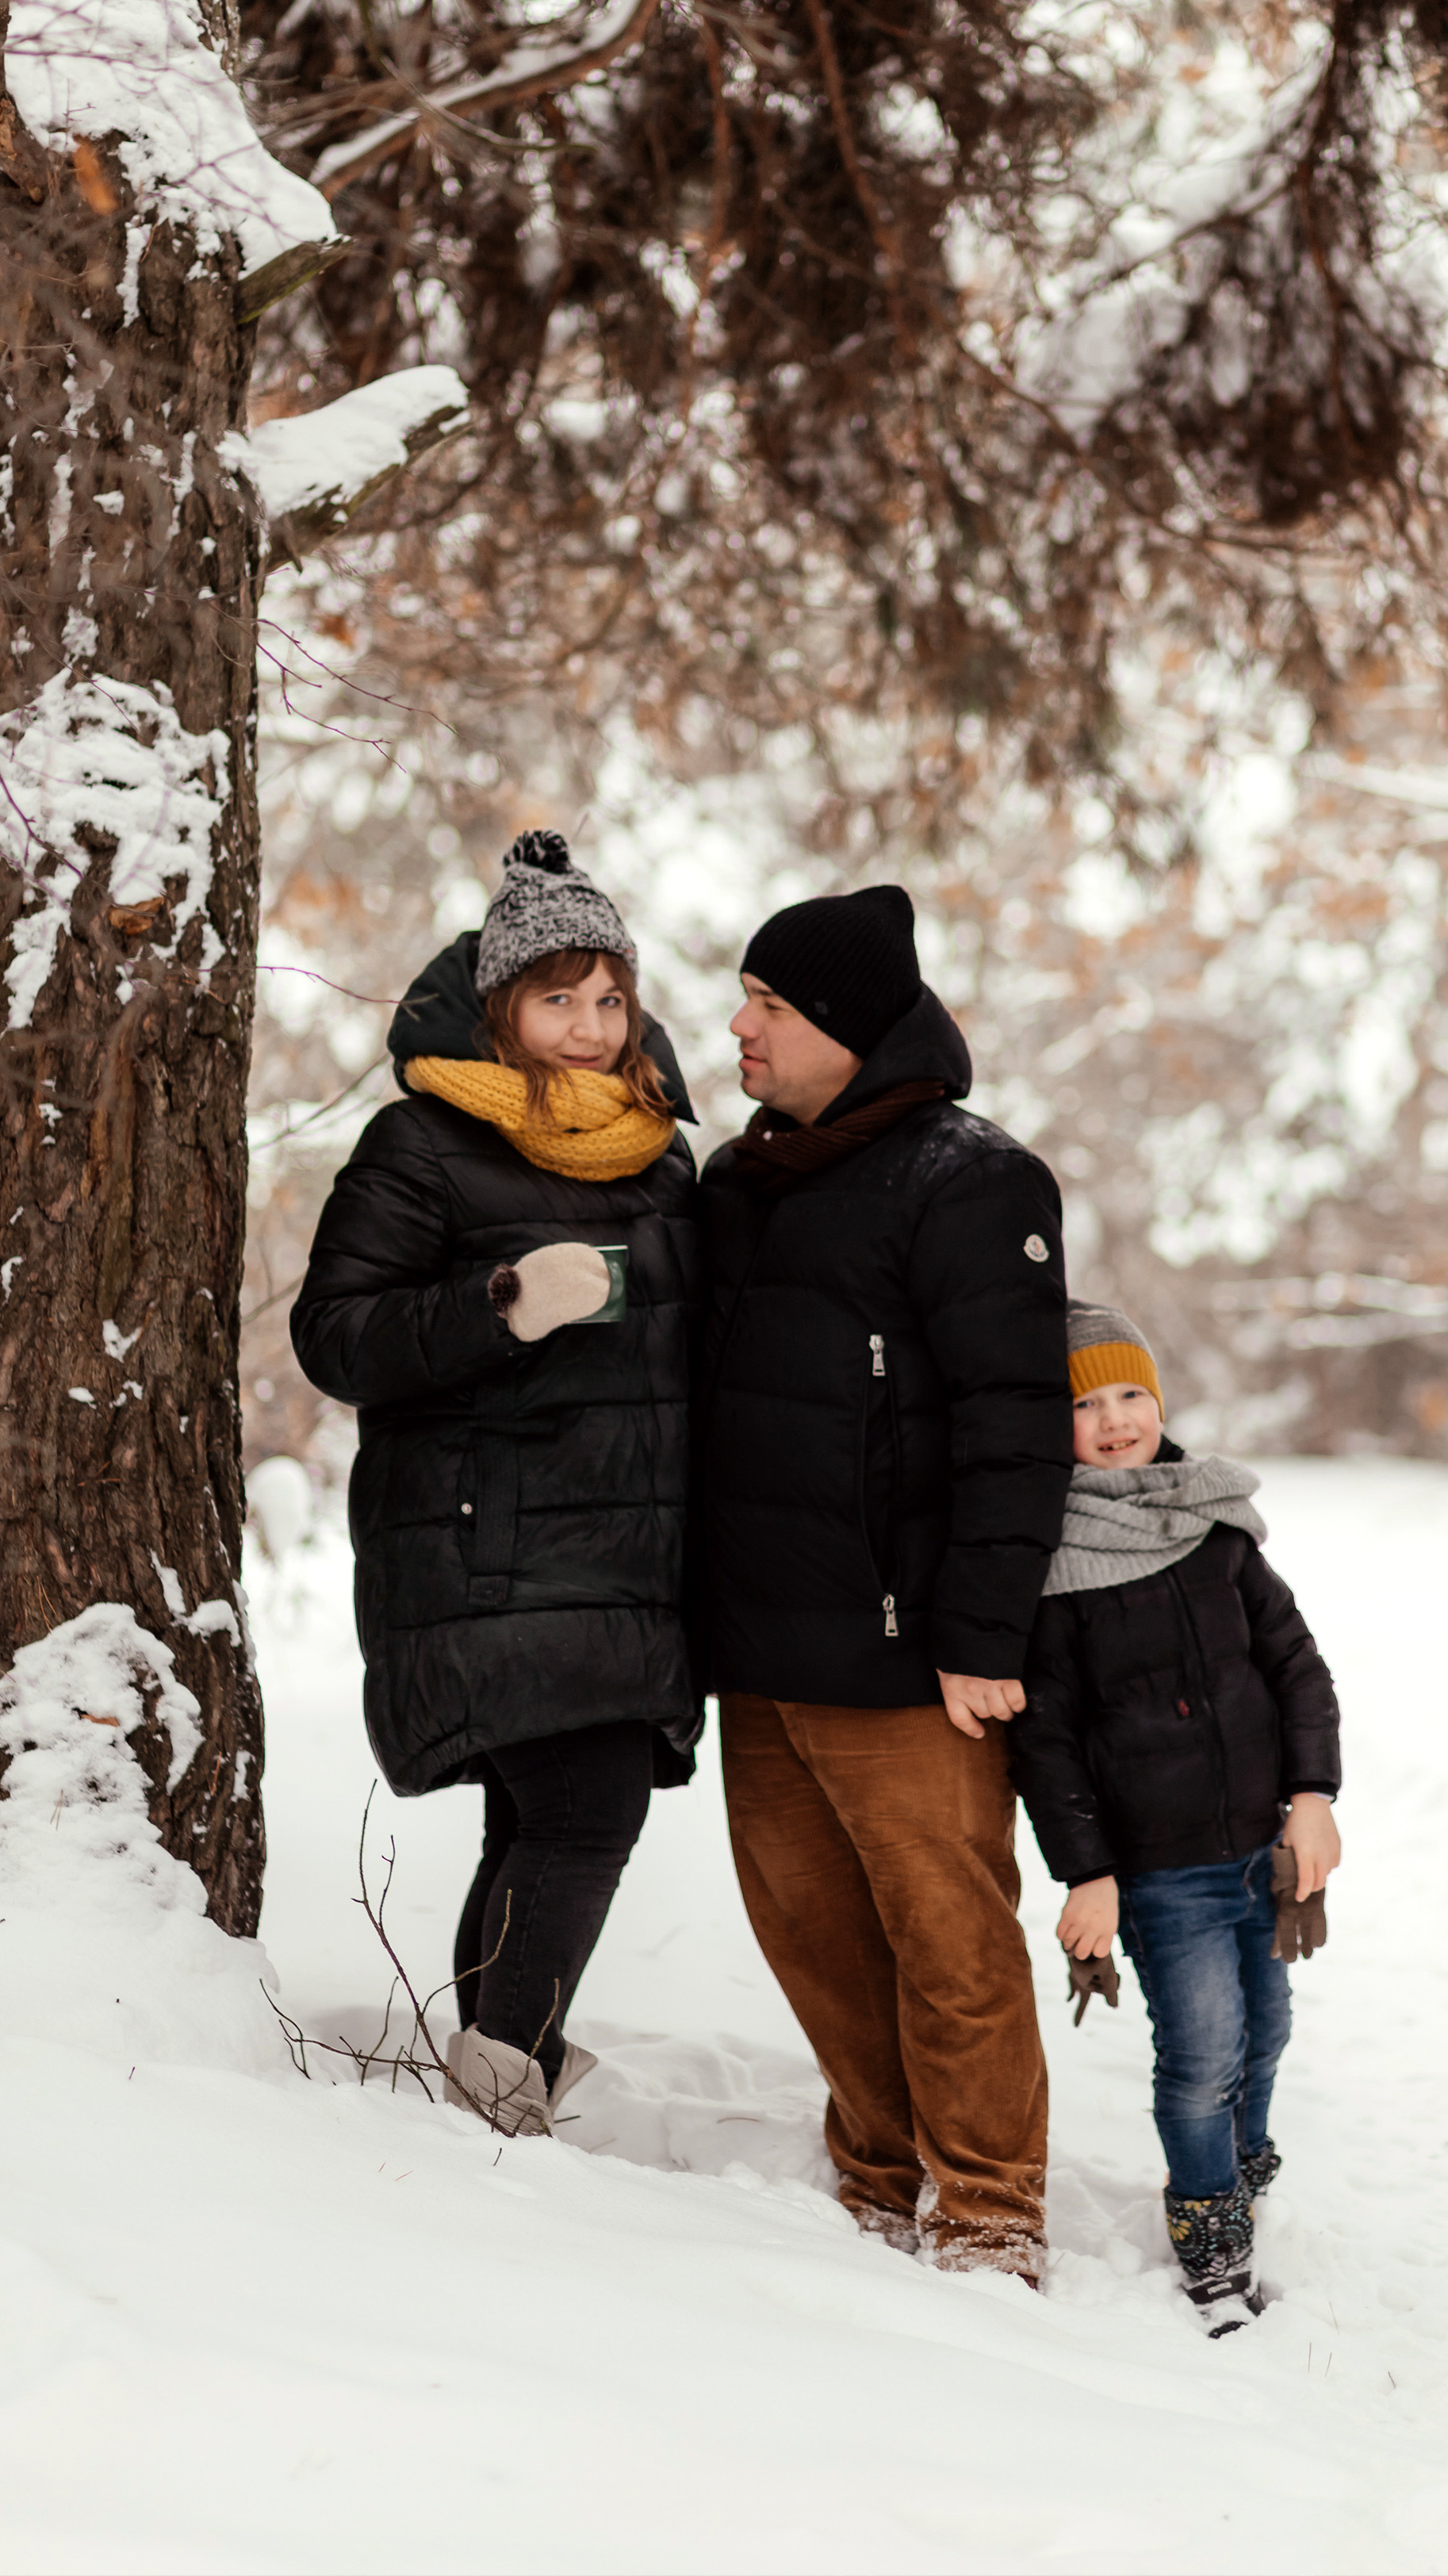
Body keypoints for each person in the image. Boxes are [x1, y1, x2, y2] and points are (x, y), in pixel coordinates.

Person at [291, 832, 702, 2138]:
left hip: (635, 1555)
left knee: (540, 1816)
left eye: (608, 998)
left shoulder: (659, 1153)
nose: (587, 1028)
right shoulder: (423, 1142)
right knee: (588, 1807)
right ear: (500, 1010)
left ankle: (482, 2070)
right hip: (490, 1544)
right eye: (555, 999)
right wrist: (502, 1302)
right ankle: (497, 2095)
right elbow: (338, 1337)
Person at [695, 884, 1073, 2283]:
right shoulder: (741, 1183)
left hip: (911, 1653)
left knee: (949, 1935)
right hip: (760, 1645)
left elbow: (1013, 1422)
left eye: (770, 1006)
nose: (739, 1025)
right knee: (808, 1933)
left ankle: (987, 2208)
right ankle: (875, 2168)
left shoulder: (970, 1180)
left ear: (844, 1028)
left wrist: (982, 1632)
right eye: (746, 998)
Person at [1008, 1300, 1343, 2333]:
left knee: (1268, 2030)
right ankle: (1209, 2233)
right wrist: (1088, 1872)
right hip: (1159, 1872)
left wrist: (1314, 1797)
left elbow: (1296, 1666)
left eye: (1131, 1395)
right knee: (1202, 2050)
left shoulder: (1216, 1529)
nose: (1114, 1420)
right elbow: (1048, 1740)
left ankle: (1238, 2174)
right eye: (1086, 1404)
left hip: (1260, 1850)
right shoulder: (1051, 1565)